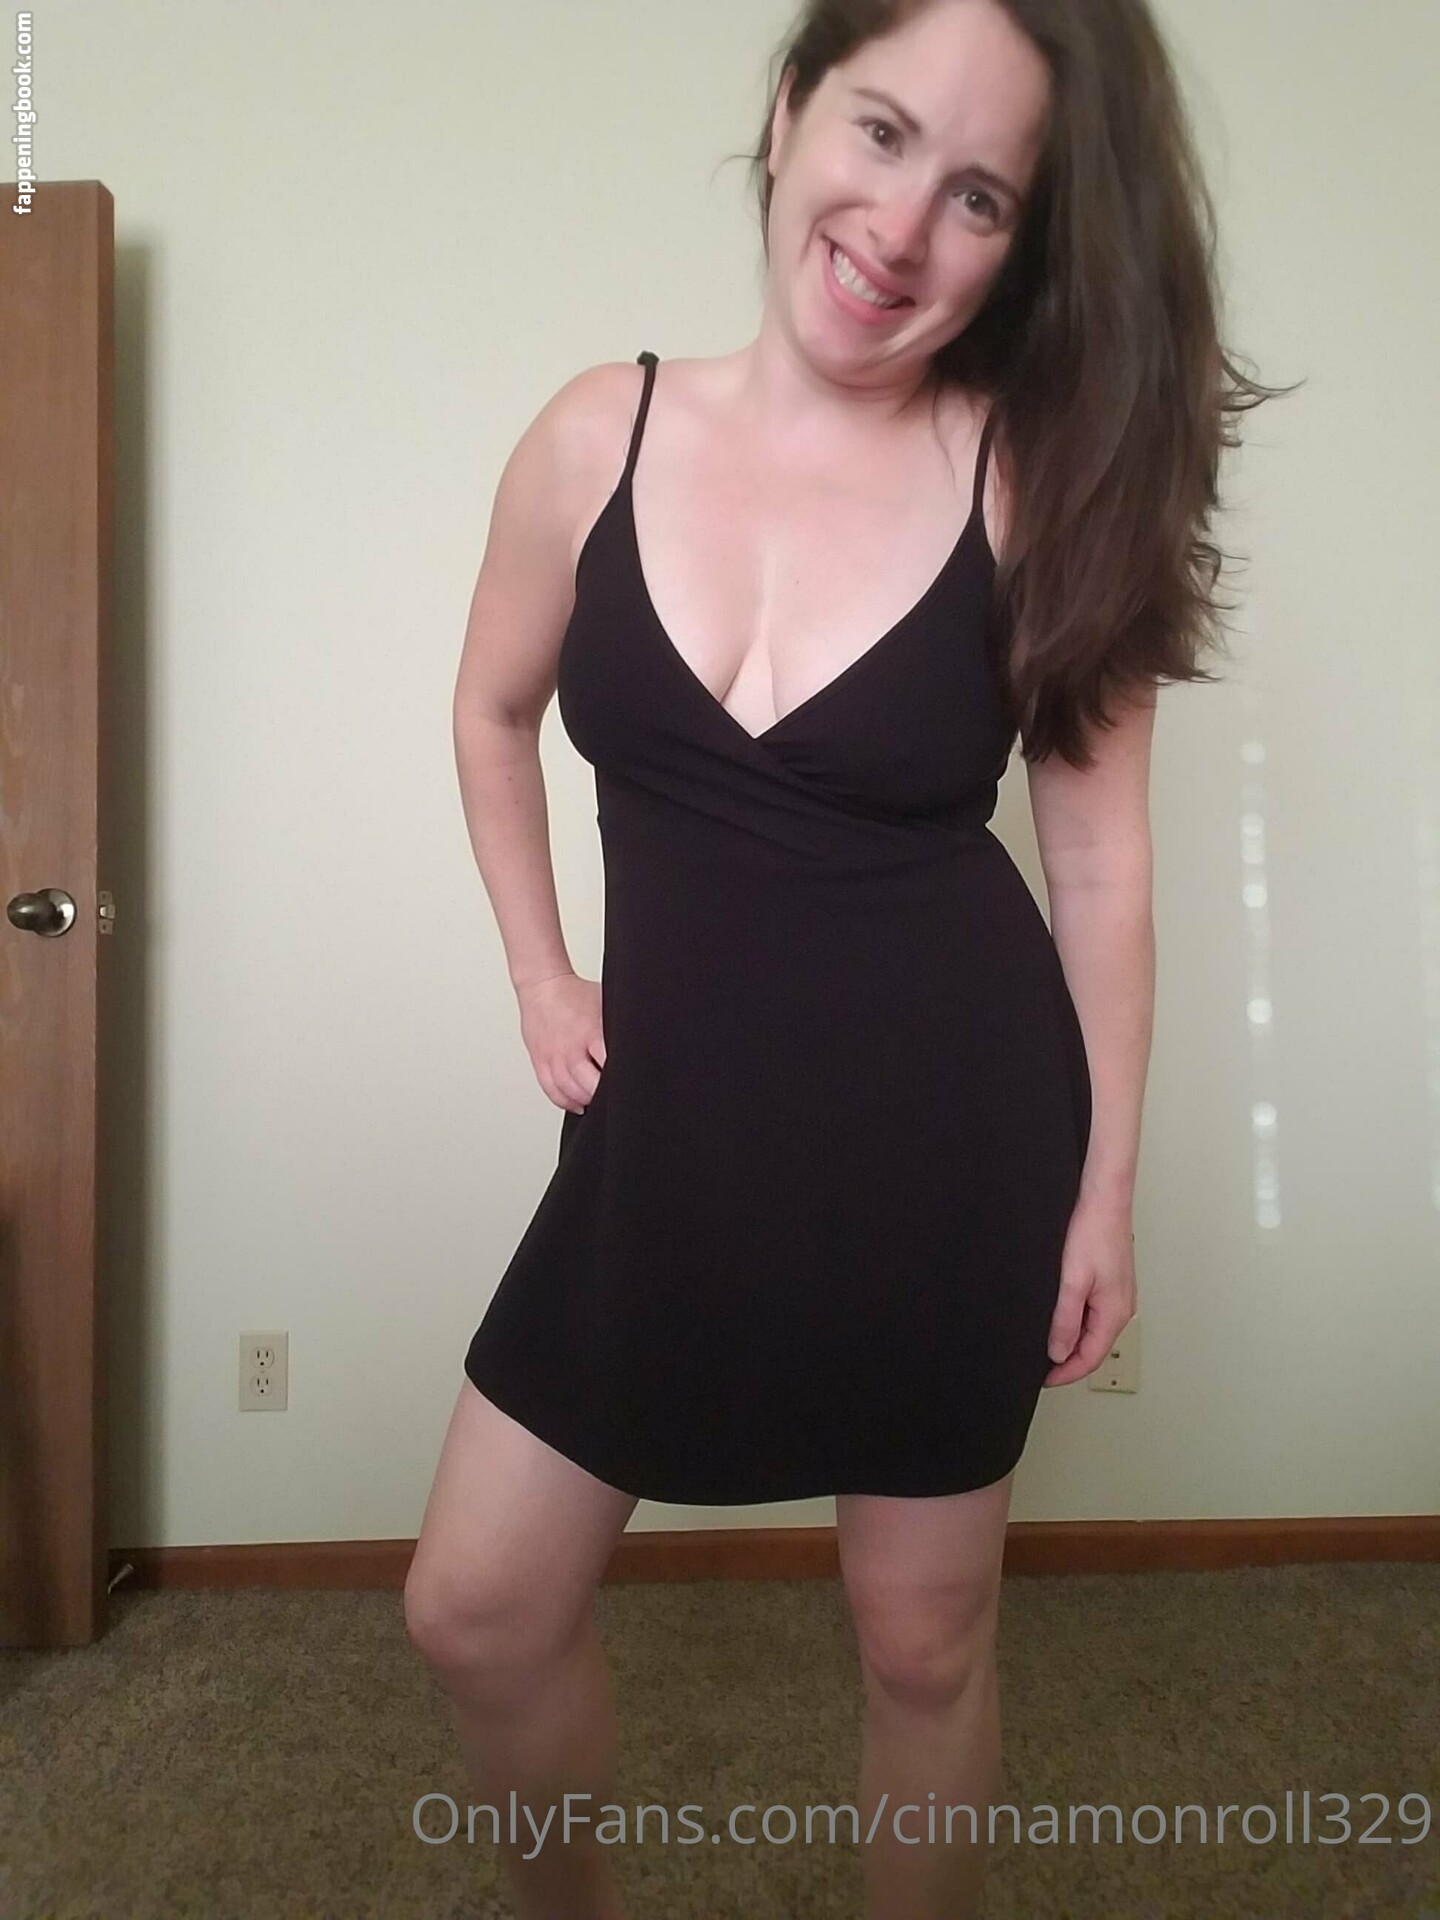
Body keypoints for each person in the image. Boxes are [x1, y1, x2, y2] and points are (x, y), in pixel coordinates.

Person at [405, 2, 1287, 1915]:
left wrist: (1105, 1189)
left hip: (944, 1132)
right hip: (669, 1137)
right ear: (797, 105)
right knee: (475, 1606)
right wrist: (543, 975)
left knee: (922, 1643)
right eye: (882, 133)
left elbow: (1102, 861)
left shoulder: (1039, 480)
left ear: (1022, 245)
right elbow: (487, 715)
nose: (900, 226)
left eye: (979, 195)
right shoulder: (595, 435)